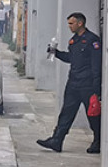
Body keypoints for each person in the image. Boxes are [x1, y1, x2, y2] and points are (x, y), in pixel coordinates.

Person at [37, 12, 101, 153]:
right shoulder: (74, 41)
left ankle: (98, 142)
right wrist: (56, 53)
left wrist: (97, 88)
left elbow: (96, 65)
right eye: (68, 24)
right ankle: (57, 140)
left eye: (71, 23)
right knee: (66, 113)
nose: (69, 26)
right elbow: (70, 58)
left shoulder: (93, 41)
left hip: (87, 85)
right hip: (73, 83)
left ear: (80, 23)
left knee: (93, 114)